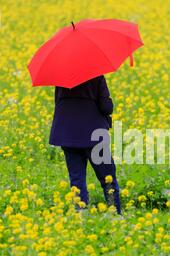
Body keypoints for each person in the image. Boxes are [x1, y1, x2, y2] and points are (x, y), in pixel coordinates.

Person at [49, 75, 121, 214]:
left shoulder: (61, 77)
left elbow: (58, 103)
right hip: (95, 135)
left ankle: (80, 215)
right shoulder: (97, 76)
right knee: (107, 177)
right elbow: (106, 107)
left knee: (77, 179)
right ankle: (115, 214)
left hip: (68, 134)